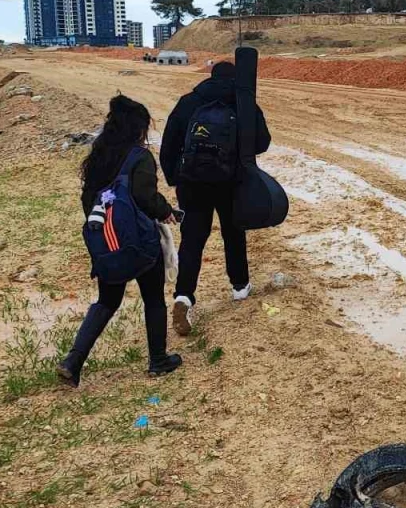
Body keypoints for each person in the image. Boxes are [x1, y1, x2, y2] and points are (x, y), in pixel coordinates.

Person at [58, 95, 182, 387]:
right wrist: (166, 212)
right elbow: (145, 197)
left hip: (107, 243)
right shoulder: (140, 157)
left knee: (106, 301)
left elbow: (89, 200)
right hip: (140, 242)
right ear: (137, 128)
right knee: (153, 299)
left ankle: (72, 362)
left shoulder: (99, 156)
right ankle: (158, 360)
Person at [160, 61, 271, 336]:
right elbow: (262, 142)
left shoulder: (188, 102)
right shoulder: (243, 103)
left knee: (193, 239)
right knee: (233, 233)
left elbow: (168, 146)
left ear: (210, 77)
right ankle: (239, 287)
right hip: (230, 182)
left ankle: (183, 296)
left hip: (192, 182)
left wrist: (176, 178)